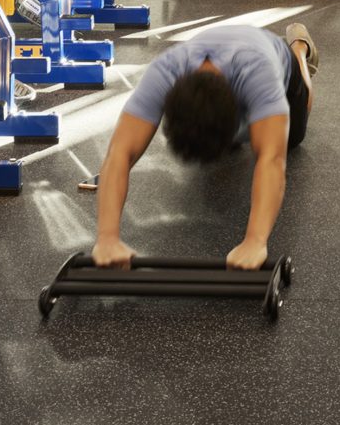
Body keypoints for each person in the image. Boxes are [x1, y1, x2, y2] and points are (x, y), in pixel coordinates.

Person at [92, 21, 319, 272]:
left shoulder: (260, 75)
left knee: (293, 138)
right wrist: (107, 238)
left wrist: (255, 241)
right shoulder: (164, 72)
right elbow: (119, 153)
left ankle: (300, 48)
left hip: (275, 56)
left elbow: (272, 159)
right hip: (227, 57)